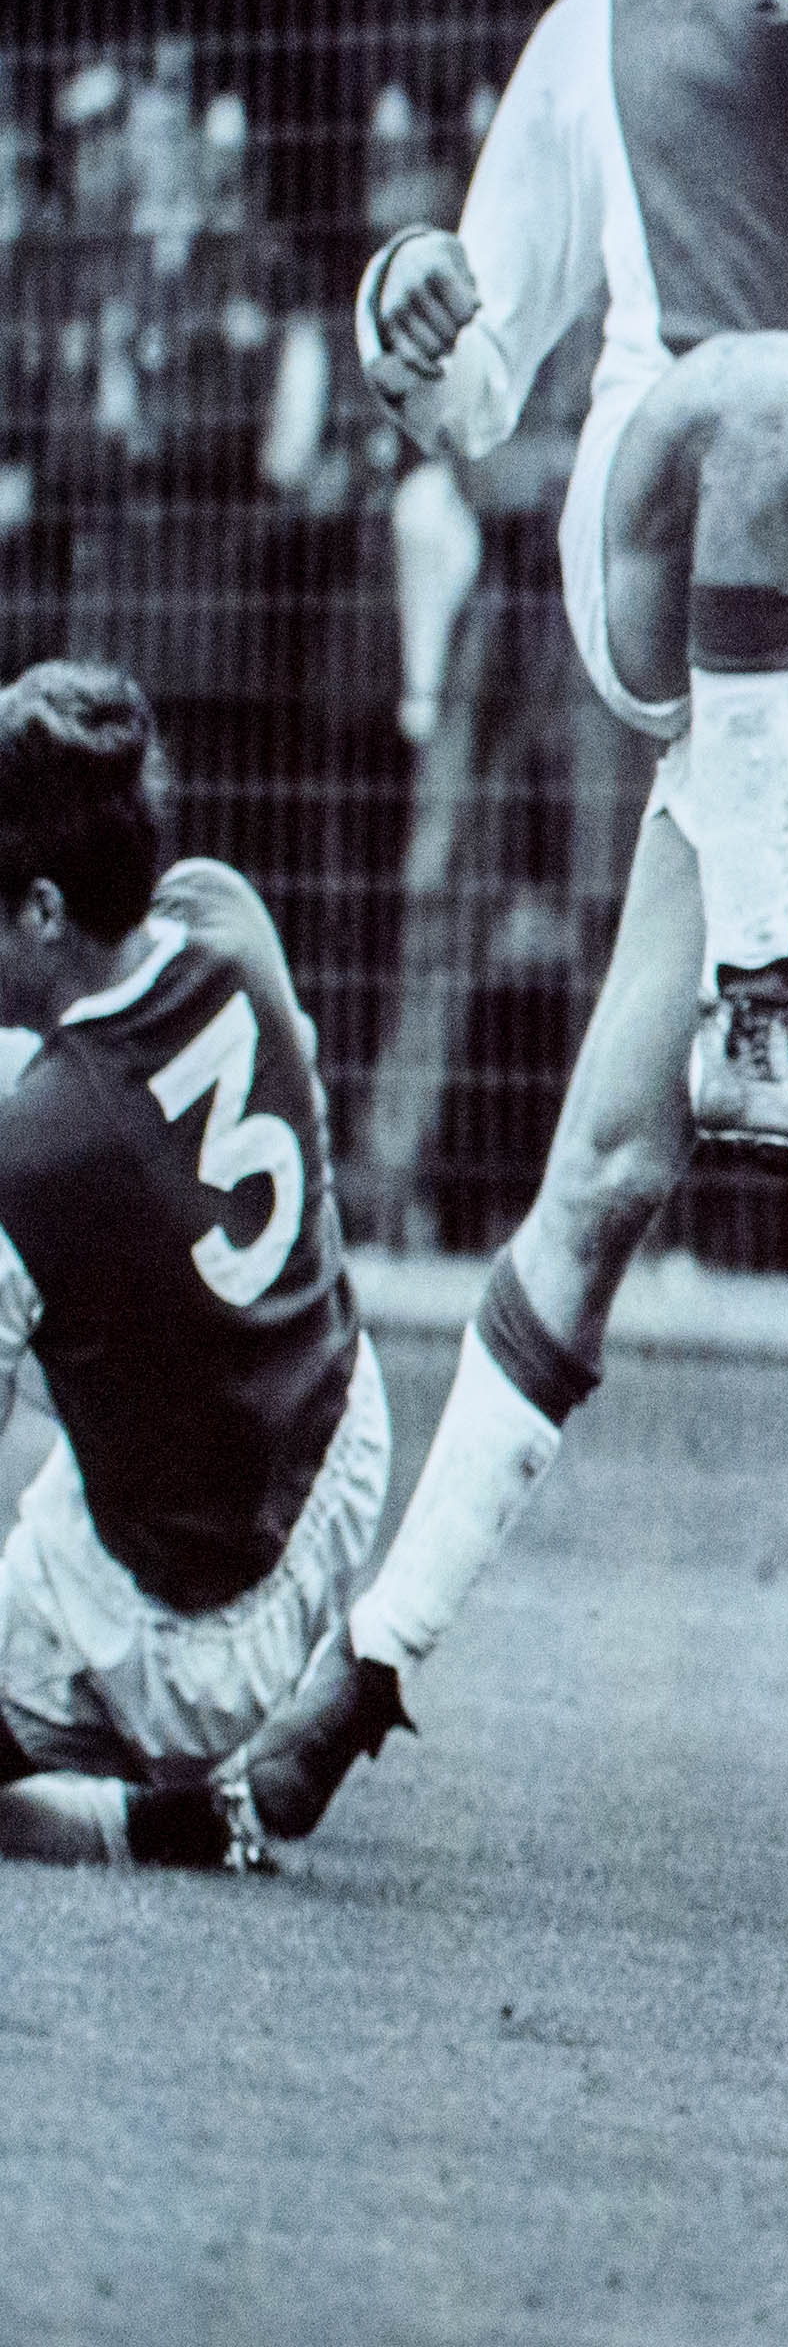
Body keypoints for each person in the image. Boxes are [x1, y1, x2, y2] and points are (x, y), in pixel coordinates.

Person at [237, 0, 788, 1844]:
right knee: (756, 384)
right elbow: (480, 380)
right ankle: (761, 982)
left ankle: (359, 1679)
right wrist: (410, 316)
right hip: (670, 535)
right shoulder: (578, 33)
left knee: (600, 1170)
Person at [0, 666, 379, 1879]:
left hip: (194, 1639)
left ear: (44, 911)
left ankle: (163, 1823)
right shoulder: (223, 908)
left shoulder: (38, 1151)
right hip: (340, 1447)